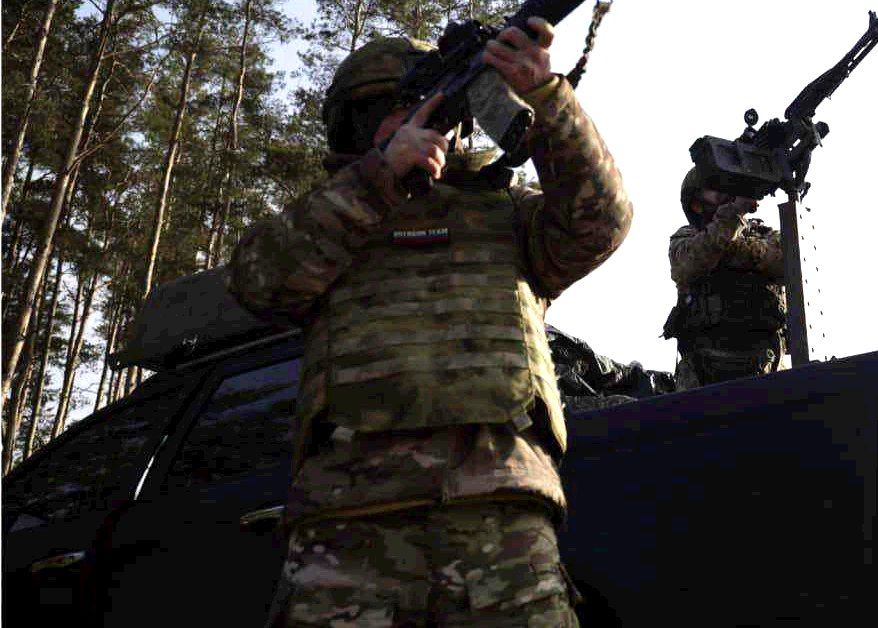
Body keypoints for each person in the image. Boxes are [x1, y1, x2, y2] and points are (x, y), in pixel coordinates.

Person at [226, 18, 631, 626]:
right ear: (353, 127)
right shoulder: (332, 216)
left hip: (499, 504)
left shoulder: (507, 212)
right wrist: (378, 179)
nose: (407, 121)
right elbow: (260, 282)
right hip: (347, 515)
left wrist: (549, 98)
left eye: (422, 105)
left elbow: (600, 223)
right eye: (382, 112)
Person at [661, 167, 786, 391]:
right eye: (713, 187)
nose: (723, 191)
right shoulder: (685, 237)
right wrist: (734, 215)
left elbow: (786, 263)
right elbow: (690, 263)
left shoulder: (766, 234)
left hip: (767, 365)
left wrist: (727, 249)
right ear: (696, 204)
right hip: (703, 373)